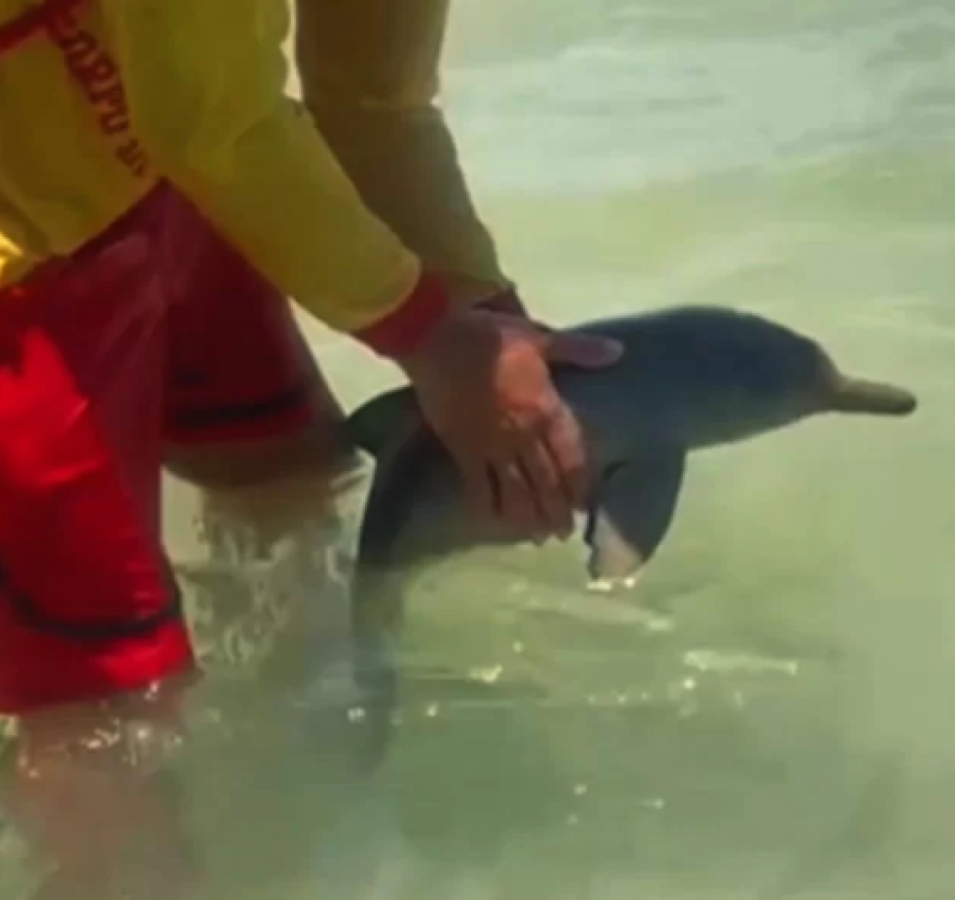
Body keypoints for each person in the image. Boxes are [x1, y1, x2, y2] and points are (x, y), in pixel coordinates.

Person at [0, 0, 623, 896]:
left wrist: (479, 324)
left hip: (156, 160)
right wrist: (426, 338)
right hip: (26, 250)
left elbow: (373, 103)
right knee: (102, 708)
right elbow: (207, 124)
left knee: (295, 490)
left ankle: (308, 805)